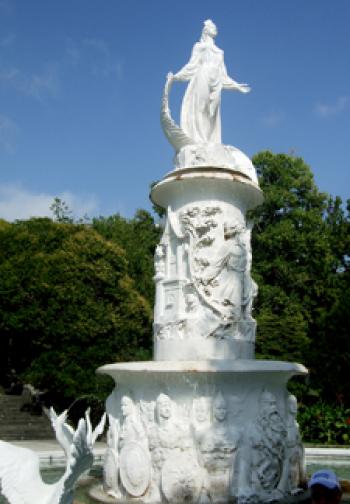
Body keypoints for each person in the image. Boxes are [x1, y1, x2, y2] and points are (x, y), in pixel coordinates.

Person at [169, 19, 250, 144]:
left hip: (216, 81)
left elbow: (223, 75)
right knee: (201, 107)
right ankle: (199, 140)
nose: (215, 29)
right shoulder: (199, 47)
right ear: (206, 30)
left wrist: (236, 86)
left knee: (212, 113)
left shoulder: (220, 52)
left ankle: (211, 140)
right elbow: (191, 65)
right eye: (213, 27)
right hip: (203, 75)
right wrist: (176, 77)